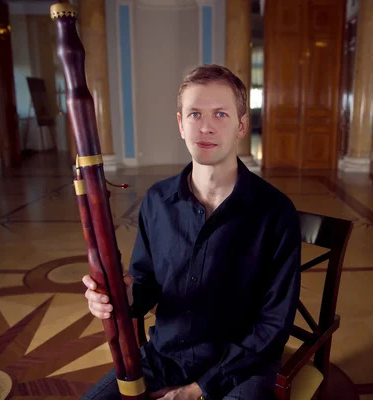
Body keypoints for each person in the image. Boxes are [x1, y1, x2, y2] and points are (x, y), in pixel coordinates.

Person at [81, 64, 301, 400]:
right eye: (195, 113)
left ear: (242, 125)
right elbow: (145, 286)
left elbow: (273, 325)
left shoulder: (276, 212)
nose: (206, 126)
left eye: (221, 114)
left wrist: (197, 391)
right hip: (164, 358)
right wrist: (119, 298)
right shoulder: (157, 201)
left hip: (242, 367)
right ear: (181, 124)